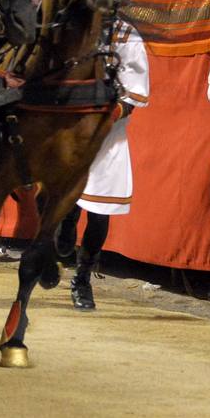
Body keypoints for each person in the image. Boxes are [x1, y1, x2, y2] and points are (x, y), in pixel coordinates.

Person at [54, 21, 149, 311]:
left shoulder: (125, 34)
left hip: (108, 136)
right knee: (64, 198)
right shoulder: (68, 27)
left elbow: (136, 92)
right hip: (69, 129)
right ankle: (68, 217)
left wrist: (106, 117)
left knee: (100, 212)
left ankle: (82, 278)